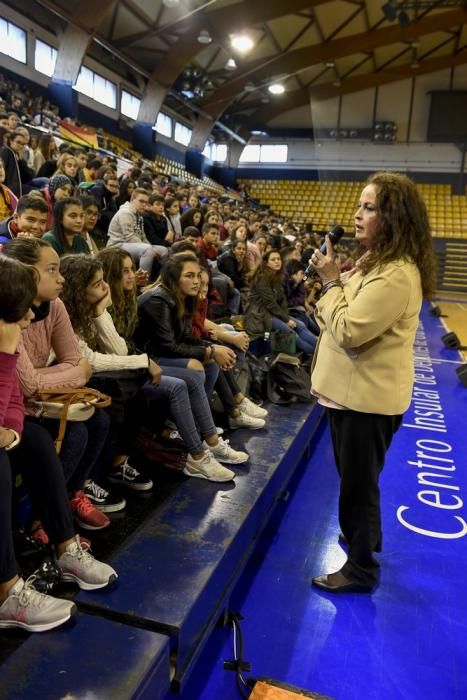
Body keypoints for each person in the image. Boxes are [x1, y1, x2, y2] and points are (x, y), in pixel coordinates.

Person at [309, 172, 437, 594]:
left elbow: (347, 329)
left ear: (393, 217)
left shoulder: (396, 274)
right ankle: (367, 538)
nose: (357, 215)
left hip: (365, 401)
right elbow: (333, 313)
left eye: (368, 207)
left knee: (356, 487)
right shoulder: (376, 261)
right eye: (359, 205)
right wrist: (331, 288)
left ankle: (361, 569)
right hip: (352, 395)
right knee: (357, 479)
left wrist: (330, 281)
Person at [0, 255, 117, 632]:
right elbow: (26, 385)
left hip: (12, 419)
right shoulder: (7, 339)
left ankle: (66, 549)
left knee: (33, 438)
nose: (30, 318)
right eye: (23, 310)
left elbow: (15, 400)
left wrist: (12, 431)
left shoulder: (15, 329)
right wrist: (5, 354)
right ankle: (6, 592)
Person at [3, 238, 123, 528]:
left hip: (40, 400)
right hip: (16, 406)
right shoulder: (8, 311)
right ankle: (40, 521)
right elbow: (29, 385)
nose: (61, 279)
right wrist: (72, 371)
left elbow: (77, 364)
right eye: (52, 270)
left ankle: (73, 494)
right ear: (26, 274)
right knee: (74, 434)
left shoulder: (54, 306)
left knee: (101, 419)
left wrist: (66, 371)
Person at [244, 249, 317, 355]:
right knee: (292, 334)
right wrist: (286, 320)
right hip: (260, 315)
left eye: (278, 259)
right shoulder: (262, 278)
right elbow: (270, 304)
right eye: (273, 259)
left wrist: (285, 316)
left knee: (300, 325)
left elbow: (282, 300)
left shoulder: (276, 276)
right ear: (266, 263)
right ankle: (316, 354)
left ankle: (320, 347)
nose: (277, 261)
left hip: (272, 313)